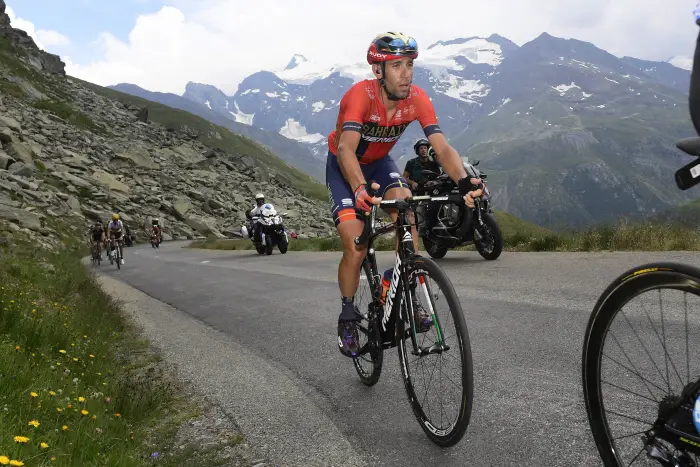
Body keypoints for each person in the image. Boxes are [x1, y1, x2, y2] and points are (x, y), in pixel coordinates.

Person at [326, 31, 484, 358]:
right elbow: (345, 149)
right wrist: (357, 188)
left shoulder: (417, 99)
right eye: (396, 65)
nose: (406, 73)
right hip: (345, 167)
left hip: (381, 164)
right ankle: (347, 314)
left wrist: (464, 182)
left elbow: (441, 147)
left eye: (410, 64)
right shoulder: (360, 96)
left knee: (407, 220)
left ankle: (399, 286)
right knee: (357, 245)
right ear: (378, 71)